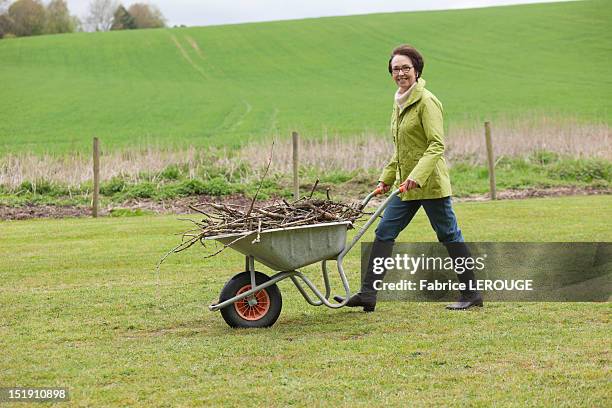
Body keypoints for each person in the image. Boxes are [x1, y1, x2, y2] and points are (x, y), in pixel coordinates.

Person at [335, 44, 483, 312]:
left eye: (406, 68)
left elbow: (436, 145)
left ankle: (472, 294)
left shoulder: (427, 102)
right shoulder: (399, 102)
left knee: (449, 234)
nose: (400, 73)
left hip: (430, 184)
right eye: (395, 69)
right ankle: (368, 294)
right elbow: (401, 149)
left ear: (417, 70)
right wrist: (386, 179)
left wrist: (417, 176)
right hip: (406, 187)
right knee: (384, 232)